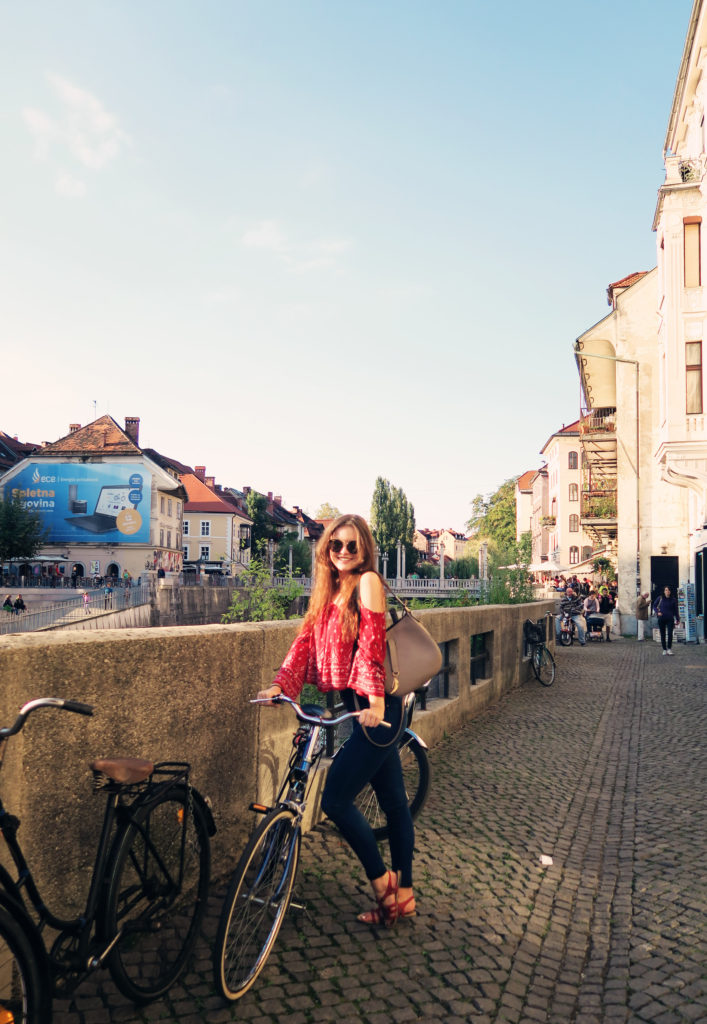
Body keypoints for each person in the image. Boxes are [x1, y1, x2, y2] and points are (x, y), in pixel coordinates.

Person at [257, 514, 415, 927]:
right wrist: (280, 685)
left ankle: (384, 885)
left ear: (364, 550)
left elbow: (371, 645)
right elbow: (305, 641)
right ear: (326, 548)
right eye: (336, 545)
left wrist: (375, 702)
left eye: (352, 545)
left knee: (335, 800)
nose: (343, 552)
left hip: (378, 709)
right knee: (395, 803)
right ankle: (406, 896)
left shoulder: (368, 582)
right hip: (361, 708)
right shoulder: (329, 590)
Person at [653, 586, 680, 655]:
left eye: (668, 590)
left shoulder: (673, 599)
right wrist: (657, 612)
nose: (667, 591)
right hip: (661, 619)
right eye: (666, 590)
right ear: (664, 591)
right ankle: (664, 649)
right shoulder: (660, 598)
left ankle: (669, 649)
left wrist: (677, 619)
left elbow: (676, 610)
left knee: (670, 634)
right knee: (663, 634)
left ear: (670, 591)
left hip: (670, 619)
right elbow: (654, 606)